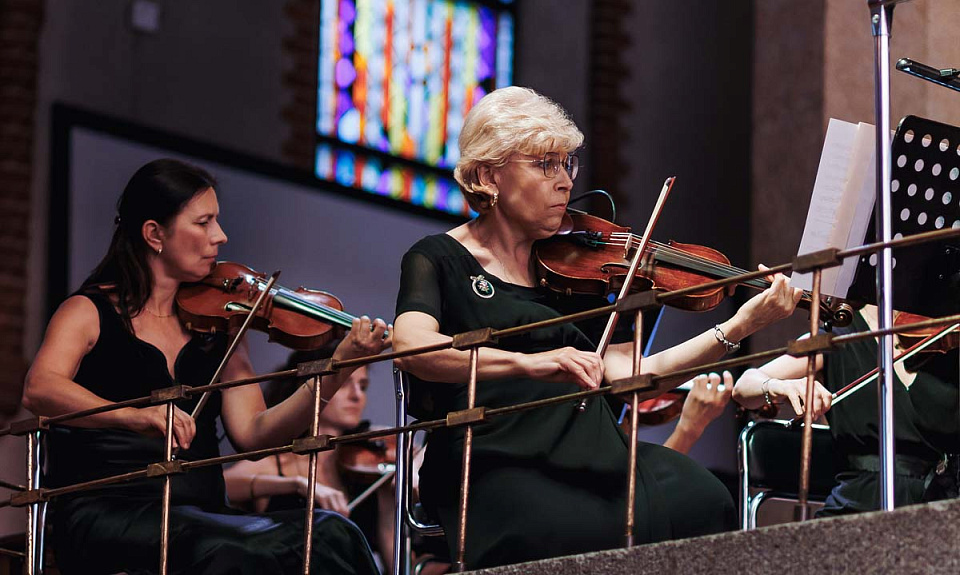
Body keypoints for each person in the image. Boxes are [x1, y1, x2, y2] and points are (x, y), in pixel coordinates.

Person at [391, 86, 801, 569]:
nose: (565, 181)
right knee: (572, 527)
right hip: (494, 450)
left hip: (590, 445)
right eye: (545, 165)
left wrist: (735, 327)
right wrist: (531, 363)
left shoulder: (578, 270)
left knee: (706, 497)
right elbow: (411, 347)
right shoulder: (438, 258)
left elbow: (633, 376)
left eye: (567, 165)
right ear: (488, 175)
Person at [22, 159, 391, 575]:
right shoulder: (88, 311)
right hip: (107, 509)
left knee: (333, 534)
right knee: (228, 549)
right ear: (154, 234)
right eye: (204, 222)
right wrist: (134, 416)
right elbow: (40, 389)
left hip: (202, 513)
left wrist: (339, 367)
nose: (221, 235)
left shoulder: (221, 325)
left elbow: (255, 434)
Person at [732, 304, 960, 516]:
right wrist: (778, 386)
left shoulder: (944, 338)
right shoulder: (831, 338)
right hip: (862, 503)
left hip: (943, 503)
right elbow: (745, 385)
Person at [224, 362, 398, 572]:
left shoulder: (368, 469)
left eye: (363, 386)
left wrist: (390, 502)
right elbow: (222, 484)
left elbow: (394, 565)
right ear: (311, 388)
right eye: (344, 384)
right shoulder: (277, 463)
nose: (357, 395)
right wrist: (296, 485)